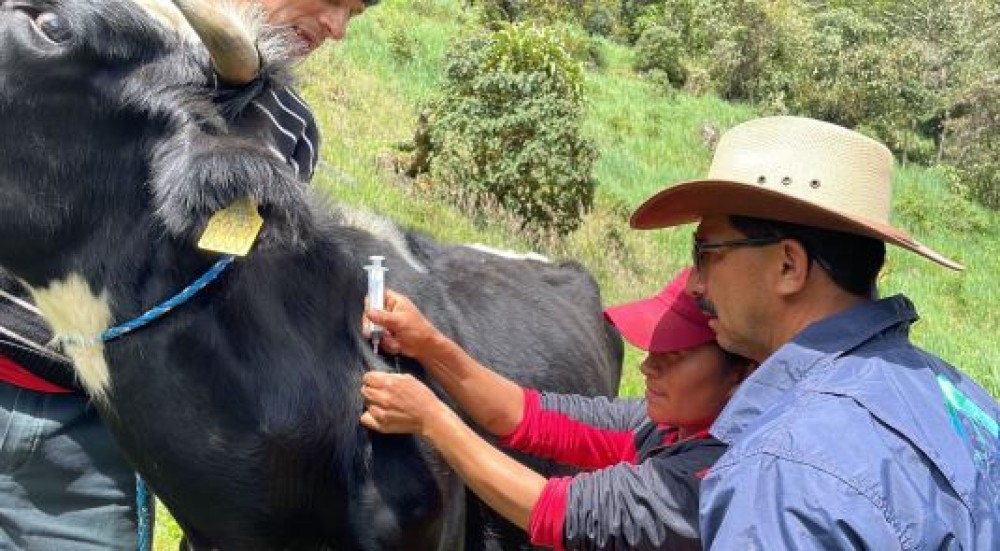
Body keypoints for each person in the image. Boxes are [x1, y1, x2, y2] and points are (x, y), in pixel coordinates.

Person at [0, 1, 375, 549]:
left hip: (96, 442)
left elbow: (229, 300)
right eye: (337, 1)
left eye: (354, 15)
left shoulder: (288, 128)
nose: (337, 28)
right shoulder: (75, 18)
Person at [625, 115, 999, 548]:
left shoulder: (784, 474)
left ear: (788, 266)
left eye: (706, 252)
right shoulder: (957, 392)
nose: (694, 283)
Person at [360, 268, 756, 550]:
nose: (648, 365)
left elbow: (558, 513)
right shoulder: (662, 427)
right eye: (653, 347)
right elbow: (527, 416)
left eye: (677, 354)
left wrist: (434, 420)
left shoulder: (712, 478)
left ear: (742, 374)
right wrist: (430, 345)